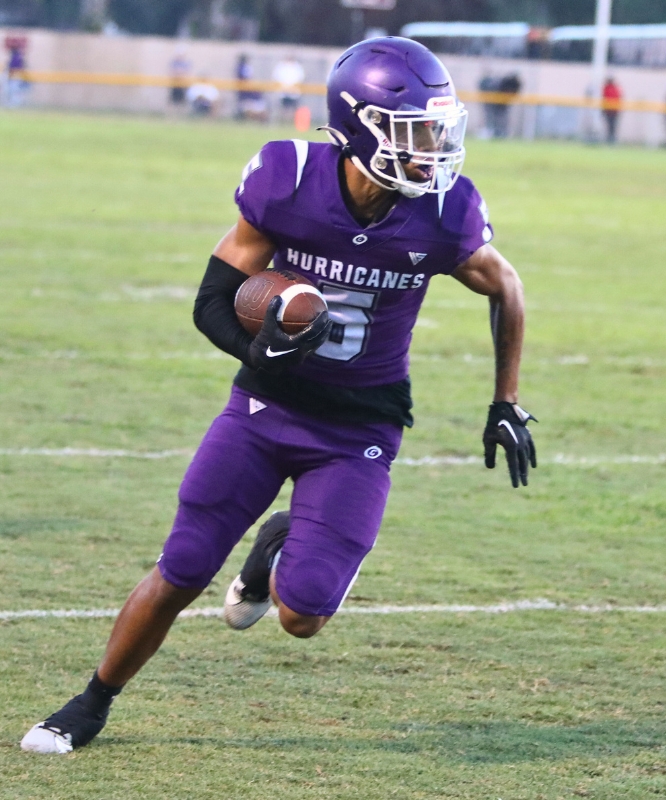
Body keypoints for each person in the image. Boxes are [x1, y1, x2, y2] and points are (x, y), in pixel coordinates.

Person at [21, 37, 536, 755]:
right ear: (358, 127)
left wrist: (504, 400)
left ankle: (276, 548)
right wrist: (256, 348)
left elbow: (506, 285)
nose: (433, 150)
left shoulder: (445, 211)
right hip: (263, 410)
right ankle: (92, 701)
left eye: (438, 130)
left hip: (360, 427)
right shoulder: (287, 176)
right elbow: (213, 300)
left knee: (303, 616)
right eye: (415, 131)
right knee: (184, 567)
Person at [234, 53, 266, 122]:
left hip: (249, 94)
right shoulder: (242, 68)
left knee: (257, 107)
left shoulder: (243, 68)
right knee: (250, 108)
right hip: (247, 94)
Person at [5, 39, 28, 108]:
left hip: (15, 77)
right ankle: (13, 103)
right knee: (12, 91)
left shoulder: (16, 57)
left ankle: (15, 104)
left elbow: (17, 68)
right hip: (14, 77)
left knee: (14, 91)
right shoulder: (16, 57)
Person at [601, 76, 622, 144]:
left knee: (613, 126)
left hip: (614, 111)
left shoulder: (615, 88)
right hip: (608, 110)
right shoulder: (606, 88)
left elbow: (618, 98)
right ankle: (609, 139)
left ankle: (612, 140)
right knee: (609, 126)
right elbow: (604, 98)